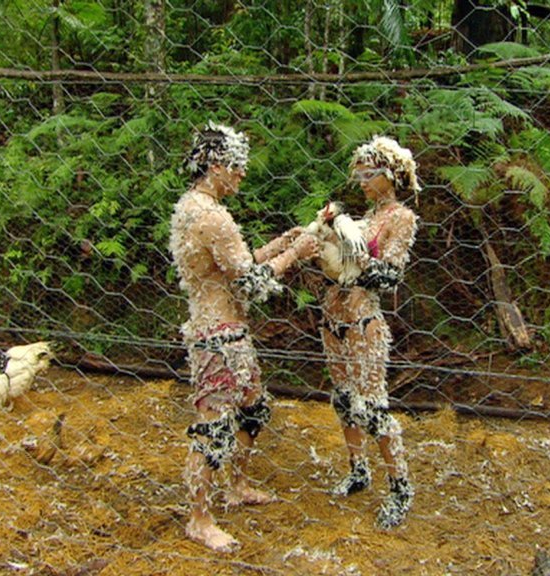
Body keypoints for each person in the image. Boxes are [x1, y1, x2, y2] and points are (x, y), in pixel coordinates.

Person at [168, 122, 319, 553]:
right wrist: (296, 254)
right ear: (215, 165)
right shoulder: (212, 217)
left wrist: (280, 243)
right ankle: (199, 519)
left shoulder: (194, 207)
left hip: (226, 329)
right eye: (236, 165)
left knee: (253, 408)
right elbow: (251, 283)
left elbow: (237, 264)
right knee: (213, 427)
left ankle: (237, 485)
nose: (242, 173)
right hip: (217, 335)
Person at [321, 136, 419, 529]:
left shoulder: (401, 218)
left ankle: (400, 488)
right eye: (358, 176)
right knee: (344, 399)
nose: (361, 182)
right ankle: (359, 470)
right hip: (333, 318)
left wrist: (358, 255)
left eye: (369, 175)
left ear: (390, 176)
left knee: (374, 409)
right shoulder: (365, 216)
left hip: (364, 322)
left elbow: (390, 276)